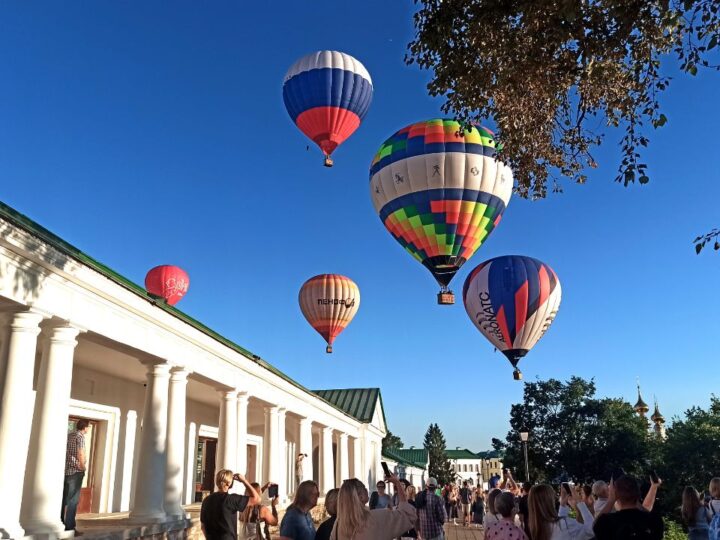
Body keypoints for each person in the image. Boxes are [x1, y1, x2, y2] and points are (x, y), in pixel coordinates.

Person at [329, 476, 416, 540]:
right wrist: (397, 483)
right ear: (361, 497)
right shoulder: (376, 518)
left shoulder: (338, 524)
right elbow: (408, 515)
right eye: (364, 488)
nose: (367, 490)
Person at [592, 476, 663, 540]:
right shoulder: (654, 520)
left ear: (615, 494)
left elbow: (596, 526)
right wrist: (654, 487)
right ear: (638, 493)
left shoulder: (606, 522)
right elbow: (645, 510)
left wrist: (611, 500)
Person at [201, 470, 261, 540]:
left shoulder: (206, 500)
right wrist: (244, 480)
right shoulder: (231, 499)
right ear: (228, 483)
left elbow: (203, 527)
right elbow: (257, 499)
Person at [527, 484, 595, 540]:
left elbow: (567, 523)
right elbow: (591, 530)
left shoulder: (536, 526)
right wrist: (578, 503)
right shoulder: (561, 524)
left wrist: (565, 506)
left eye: (582, 492)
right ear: (549, 501)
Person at [61, 419, 90, 533]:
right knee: (73, 499)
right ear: (85, 427)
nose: (88, 429)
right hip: (76, 471)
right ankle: (70, 527)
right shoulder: (80, 437)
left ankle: (61, 523)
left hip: (67, 470)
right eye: (88, 427)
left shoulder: (70, 435)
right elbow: (80, 452)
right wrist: (82, 466)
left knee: (63, 499)